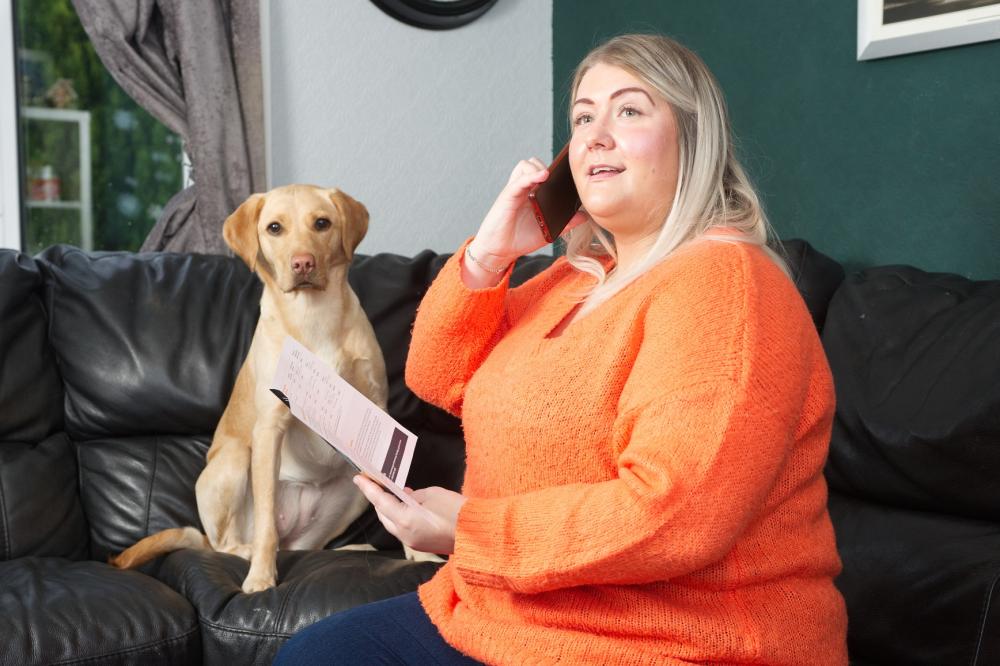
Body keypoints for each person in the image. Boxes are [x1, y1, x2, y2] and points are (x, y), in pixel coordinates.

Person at [274, 33, 848, 665]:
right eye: (582, 117)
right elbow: (439, 375)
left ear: (693, 137)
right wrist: (493, 254)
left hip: (666, 642)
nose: (596, 134)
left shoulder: (727, 286)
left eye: (629, 110)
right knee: (316, 655)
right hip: (505, 612)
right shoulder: (577, 277)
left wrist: (467, 529)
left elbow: (676, 517)